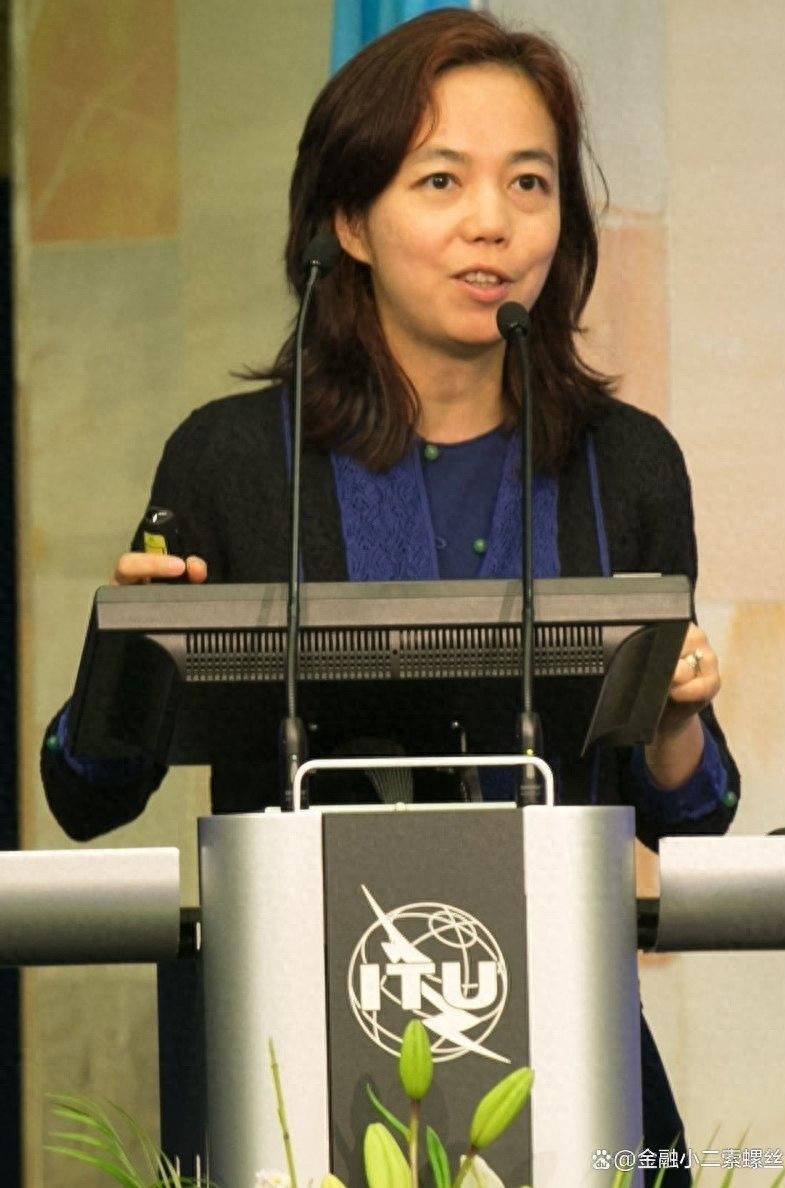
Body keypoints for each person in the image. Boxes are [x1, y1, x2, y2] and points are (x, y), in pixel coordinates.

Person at [40, 9, 738, 1183]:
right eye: (440, 180)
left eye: (528, 183)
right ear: (347, 222)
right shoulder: (233, 462)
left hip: (567, 1060)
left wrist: (673, 719)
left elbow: (692, 823)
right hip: (294, 1062)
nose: (492, 222)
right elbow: (84, 797)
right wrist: (132, 657)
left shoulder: (621, 466)